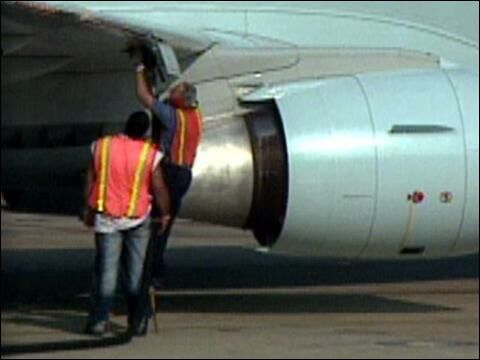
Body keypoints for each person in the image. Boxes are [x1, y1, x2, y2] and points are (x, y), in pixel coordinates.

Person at [82, 111, 171, 336]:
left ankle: (98, 322)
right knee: (135, 275)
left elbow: (90, 179)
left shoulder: (101, 146)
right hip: (137, 219)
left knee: (106, 274)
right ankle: (137, 322)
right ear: (144, 132)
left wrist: (89, 209)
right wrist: (166, 213)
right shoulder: (148, 153)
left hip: (107, 219)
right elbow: (159, 187)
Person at [136, 64, 203, 287]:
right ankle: (155, 267)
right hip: (184, 174)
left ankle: (150, 268)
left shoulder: (174, 117)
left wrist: (140, 72)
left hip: (171, 173)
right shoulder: (195, 116)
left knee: (157, 221)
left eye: (175, 91)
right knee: (166, 221)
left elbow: (145, 98)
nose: (171, 93)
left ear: (182, 98)